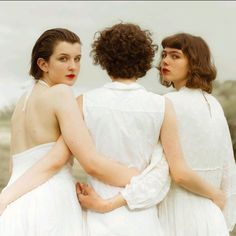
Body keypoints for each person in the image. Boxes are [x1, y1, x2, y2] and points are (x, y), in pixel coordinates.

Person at [75, 24, 228, 236]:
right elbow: (224, 165)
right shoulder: (189, 105)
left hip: (141, 212)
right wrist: (220, 197)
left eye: (174, 56)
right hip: (178, 215)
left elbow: (166, 171)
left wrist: (105, 203)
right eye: (164, 55)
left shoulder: (84, 102)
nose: (165, 61)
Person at [0, 28, 141, 236]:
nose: (73, 66)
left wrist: (6, 196)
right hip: (51, 200)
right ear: (43, 64)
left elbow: (14, 166)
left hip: (15, 202)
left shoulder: (23, 102)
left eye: (77, 59)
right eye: (63, 59)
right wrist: (141, 177)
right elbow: (90, 161)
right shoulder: (62, 93)